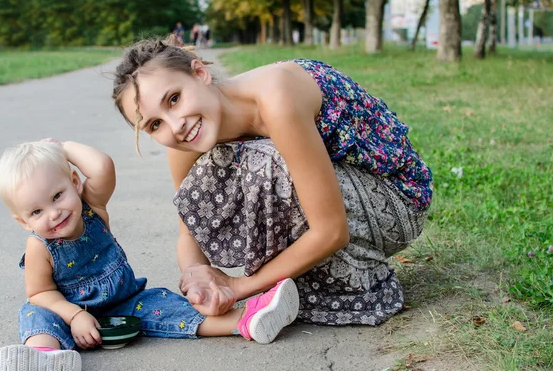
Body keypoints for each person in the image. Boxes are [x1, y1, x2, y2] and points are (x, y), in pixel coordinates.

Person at [111, 37, 433, 327]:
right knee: (214, 169)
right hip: (342, 195)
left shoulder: (275, 97)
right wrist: (196, 276)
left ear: (200, 73)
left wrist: (239, 287)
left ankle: (352, 279)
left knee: (261, 162)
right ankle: (297, 279)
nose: (176, 125)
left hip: (396, 199)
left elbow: (331, 230)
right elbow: (189, 231)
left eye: (174, 99)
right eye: (155, 125)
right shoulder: (186, 138)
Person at [0, 140, 299, 371]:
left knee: (164, 304)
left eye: (57, 196)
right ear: (22, 221)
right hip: (66, 312)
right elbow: (40, 292)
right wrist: (76, 315)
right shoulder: (39, 246)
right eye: (37, 211)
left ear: (74, 183)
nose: (53, 213)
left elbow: (102, 167)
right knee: (34, 314)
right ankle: (45, 358)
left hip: (123, 303)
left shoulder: (92, 209)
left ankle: (247, 320)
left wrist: (61, 148)